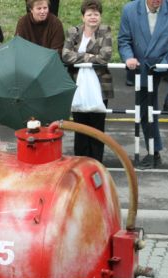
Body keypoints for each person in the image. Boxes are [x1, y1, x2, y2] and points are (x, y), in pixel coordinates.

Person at [118, 0, 168, 168]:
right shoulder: (129, 10)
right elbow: (123, 40)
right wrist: (128, 57)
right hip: (142, 64)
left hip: (165, 59)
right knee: (145, 111)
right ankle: (154, 151)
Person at [62, 0, 113, 163]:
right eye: (89, 14)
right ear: (83, 17)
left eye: (96, 14)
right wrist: (90, 57)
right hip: (77, 84)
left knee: (97, 128)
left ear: (100, 16)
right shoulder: (73, 32)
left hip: (99, 85)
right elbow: (65, 55)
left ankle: (96, 163)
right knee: (80, 127)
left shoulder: (105, 31)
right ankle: (81, 163)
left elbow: (105, 56)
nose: (93, 17)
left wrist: (80, 57)